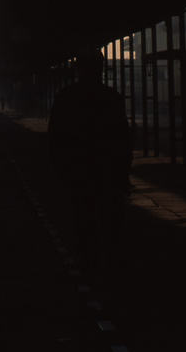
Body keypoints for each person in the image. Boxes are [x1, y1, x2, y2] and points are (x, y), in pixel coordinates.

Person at [47, 49, 132, 268]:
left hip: (79, 172)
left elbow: (55, 137)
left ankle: (89, 263)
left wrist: (61, 170)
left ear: (77, 70)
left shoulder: (66, 97)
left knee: (84, 222)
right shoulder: (111, 97)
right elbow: (123, 139)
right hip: (108, 172)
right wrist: (123, 173)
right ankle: (115, 266)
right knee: (112, 222)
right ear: (101, 69)